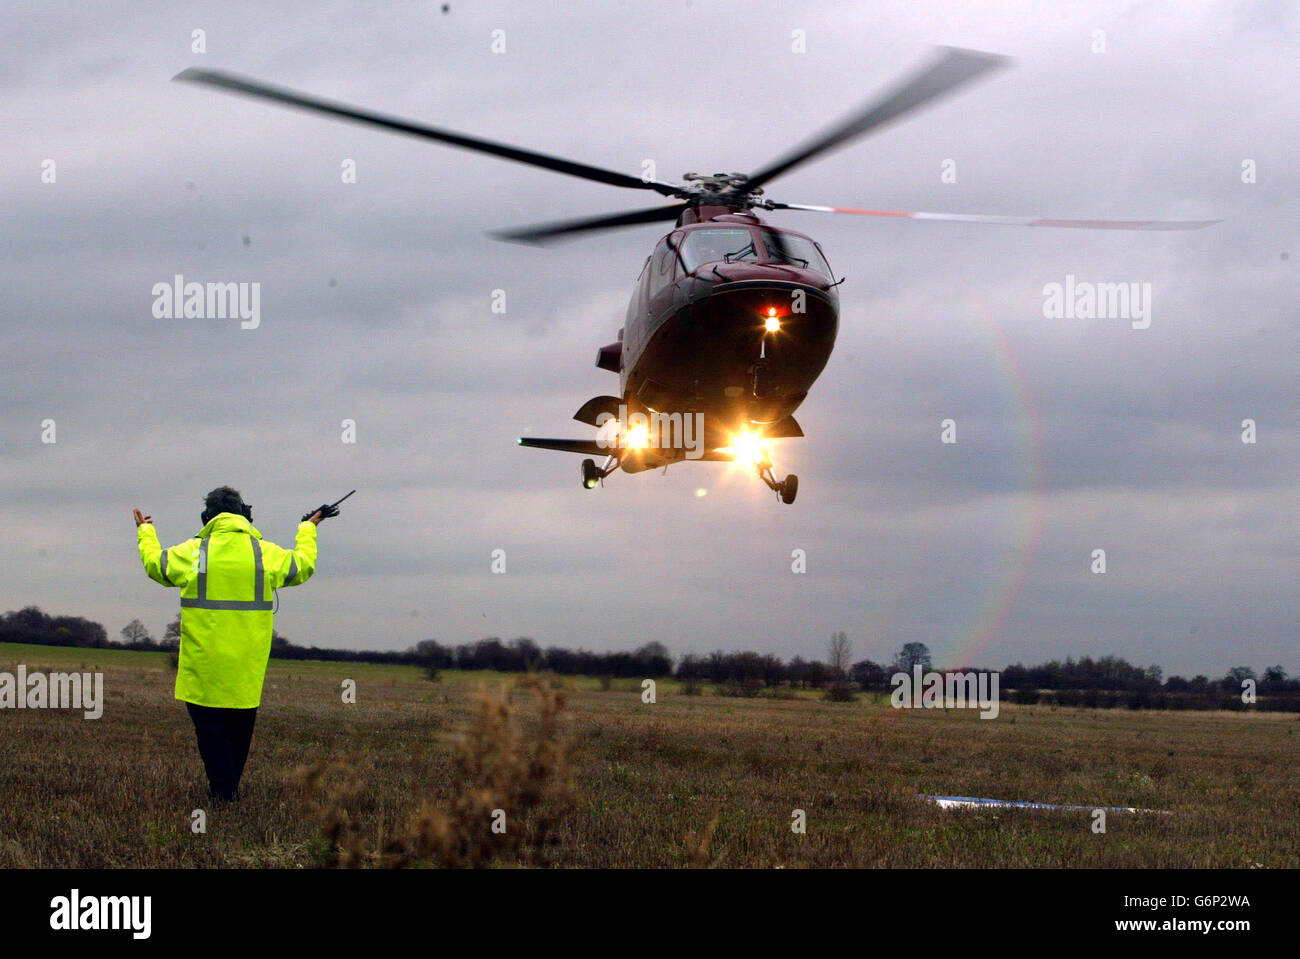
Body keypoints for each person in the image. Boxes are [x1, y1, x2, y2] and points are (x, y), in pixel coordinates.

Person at [134, 486, 338, 802]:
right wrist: (308, 528)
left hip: (203, 666)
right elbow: (301, 566)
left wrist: (146, 532)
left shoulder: (194, 551)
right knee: (239, 733)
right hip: (247, 666)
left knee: (211, 732)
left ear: (208, 517)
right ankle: (227, 791)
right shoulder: (264, 552)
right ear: (244, 514)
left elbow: (156, 566)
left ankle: (224, 792)